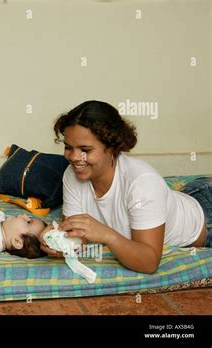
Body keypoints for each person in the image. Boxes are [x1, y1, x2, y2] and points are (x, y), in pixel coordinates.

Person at [38, 100, 211, 274]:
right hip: (189, 195)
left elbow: (149, 263)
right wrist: (58, 240)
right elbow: (78, 236)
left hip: (206, 218)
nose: (75, 157)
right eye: (68, 147)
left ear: (112, 147)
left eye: (85, 149)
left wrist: (107, 235)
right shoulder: (72, 175)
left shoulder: (142, 183)